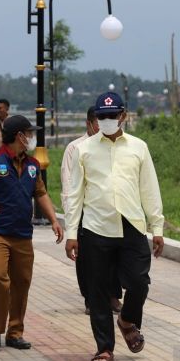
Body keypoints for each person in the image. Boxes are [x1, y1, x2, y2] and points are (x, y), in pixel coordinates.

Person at [64, 92, 165, 361]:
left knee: (139, 282)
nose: (107, 121)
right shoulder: (84, 150)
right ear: (96, 118)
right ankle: (104, 348)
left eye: (112, 116)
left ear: (123, 116)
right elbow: (75, 195)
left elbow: (150, 189)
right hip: (96, 228)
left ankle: (128, 320)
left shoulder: (138, 147)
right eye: (102, 116)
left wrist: (157, 226)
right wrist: (71, 232)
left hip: (132, 226)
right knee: (97, 293)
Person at [0, 115, 64, 353]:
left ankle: (15, 332)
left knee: (21, 283)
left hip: (22, 234)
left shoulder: (32, 165)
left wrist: (54, 220)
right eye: (28, 134)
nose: (30, 138)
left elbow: (40, 194)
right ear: (18, 136)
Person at [61, 106, 122, 315]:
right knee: (86, 258)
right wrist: (72, 219)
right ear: (89, 123)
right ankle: (90, 298)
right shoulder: (75, 148)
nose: (104, 125)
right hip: (84, 212)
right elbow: (68, 185)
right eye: (99, 121)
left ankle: (113, 296)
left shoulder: (112, 145)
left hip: (109, 210)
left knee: (114, 255)